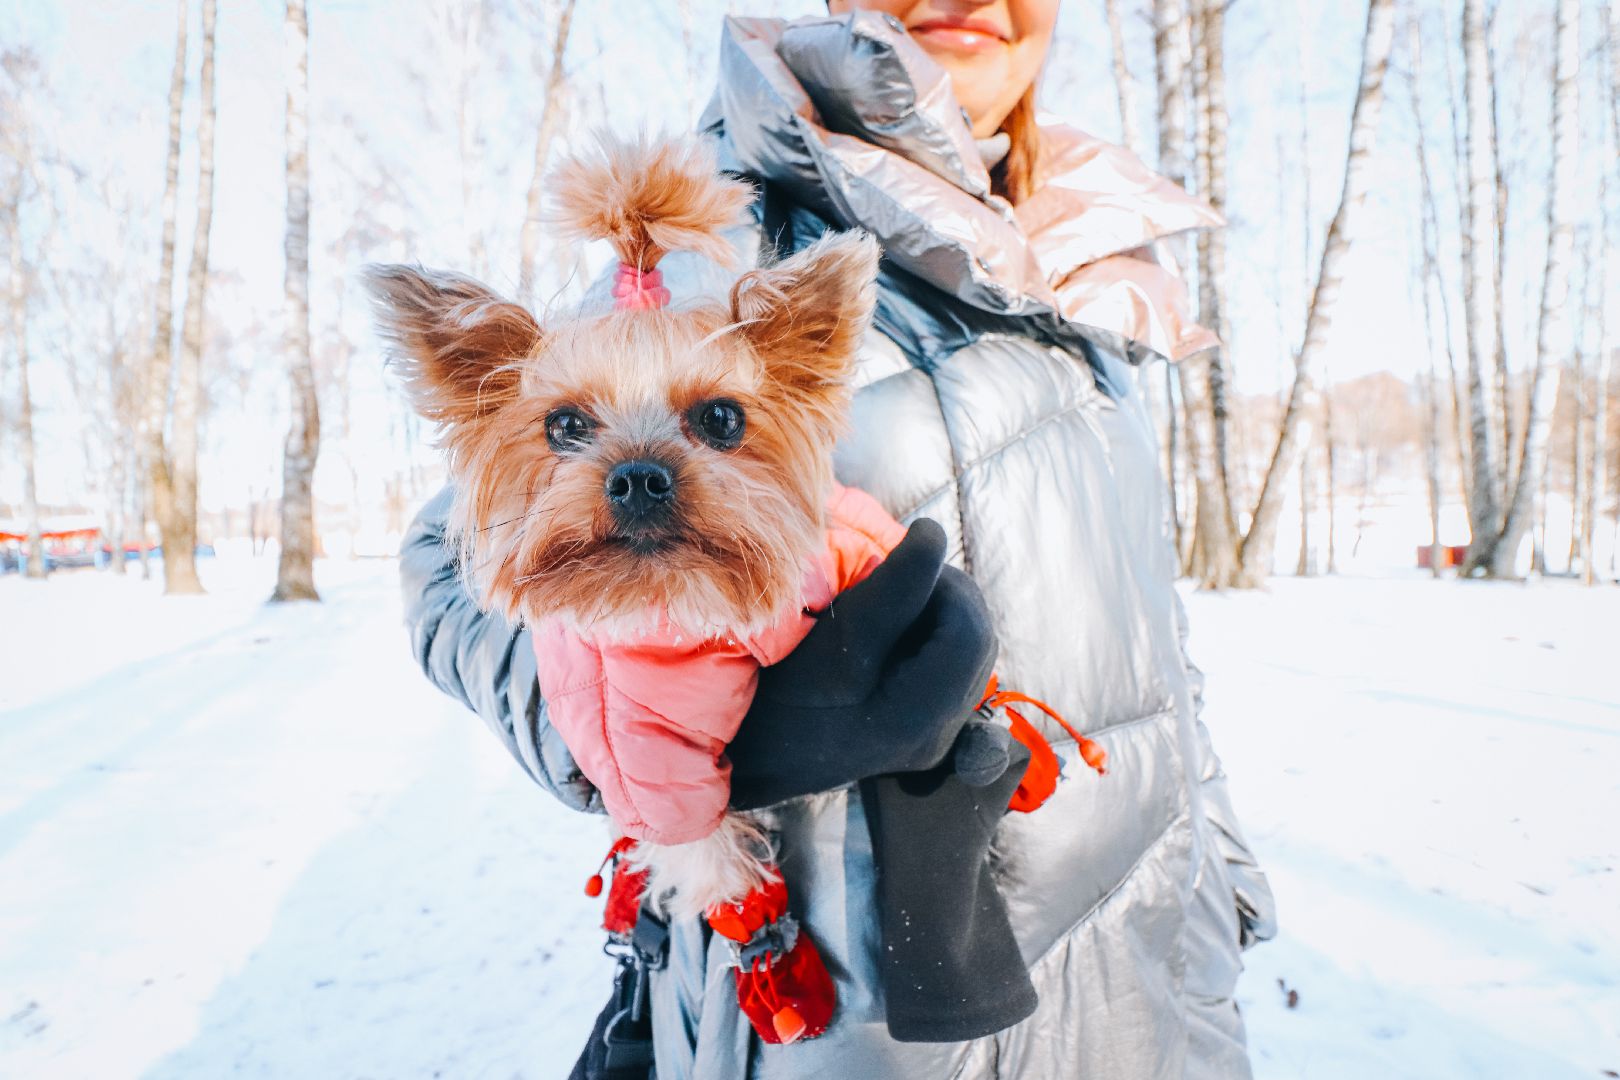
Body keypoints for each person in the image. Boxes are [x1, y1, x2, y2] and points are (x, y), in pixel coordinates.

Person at [398, 1, 1276, 1076]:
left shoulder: (1086, 263)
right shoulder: (706, 243)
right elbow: (448, 575)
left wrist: (1220, 882)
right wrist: (672, 728)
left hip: (1144, 998)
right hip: (859, 1036)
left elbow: (1150, 643)